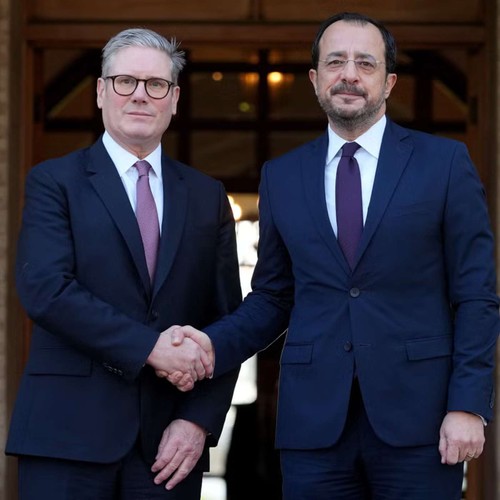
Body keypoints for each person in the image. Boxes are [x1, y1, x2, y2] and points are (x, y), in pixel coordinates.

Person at [166, 12, 500, 499]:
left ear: (389, 82)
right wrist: (211, 346)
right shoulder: (282, 176)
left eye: (365, 63)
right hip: (314, 428)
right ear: (314, 78)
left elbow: (476, 295)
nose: (349, 74)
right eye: (336, 61)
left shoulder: (444, 164)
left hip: (421, 420)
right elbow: (274, 297)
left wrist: (467, 404)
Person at [5, 27, 242, 500]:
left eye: (156, 84)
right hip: (66, 435)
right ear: (100, 91)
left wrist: (198, 420)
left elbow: (227, 323)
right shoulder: (54, 182)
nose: (139, 95)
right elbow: (46, 290)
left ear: (174, 99)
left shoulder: (206, 196)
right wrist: (150, 348)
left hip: (168, 446)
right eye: (125, 81)